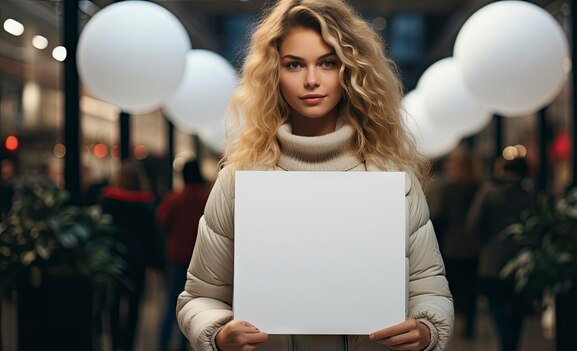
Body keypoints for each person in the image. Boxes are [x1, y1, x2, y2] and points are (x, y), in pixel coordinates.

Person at [176, 1, 454, 350]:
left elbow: (430, 289)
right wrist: (218, 333)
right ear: (273, 73)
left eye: (327, 62)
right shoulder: (239, 181)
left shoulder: (393, 179)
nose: (311, 80)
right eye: (294, 64)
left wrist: (426, 329)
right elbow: (198, 297)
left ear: (351, 69)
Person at [466, 157, 534, 351]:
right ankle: (513, 343)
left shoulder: (489, 191)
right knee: (517, 307)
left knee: (496, 304)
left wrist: (484, 244)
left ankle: (505, 343)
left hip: (493, 259)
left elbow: (473, 223)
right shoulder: (529, 193)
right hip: (523, 260)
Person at [101, 160, 158, 351]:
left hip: (113, 261)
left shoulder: (108, 201)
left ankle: (116, 344)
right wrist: (155, 264)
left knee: (114, 305)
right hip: (137, 262)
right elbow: (152, 237)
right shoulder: (146, 204)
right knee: (134, 307)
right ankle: (129, 345)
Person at [157, 159, 211, 351]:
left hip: (176, 256)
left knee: (172, 302)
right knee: (196, 304)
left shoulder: (175, 198)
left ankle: (163, 343)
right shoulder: (208, 197)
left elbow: (162, 222)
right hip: (201, 259)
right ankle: (183, 344)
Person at [430, 147, 481, 339]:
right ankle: (468, 326)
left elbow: (440, 218)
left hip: (452, 246)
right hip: (473, 247)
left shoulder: (449, 189)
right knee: (470, 286)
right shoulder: (478, 187)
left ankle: (452, 322)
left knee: (452, 286)